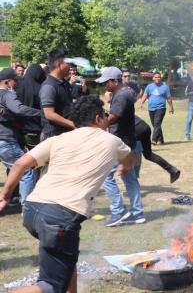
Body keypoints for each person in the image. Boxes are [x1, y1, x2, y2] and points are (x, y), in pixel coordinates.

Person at [0, 95, 133, 293]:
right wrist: (124, 168)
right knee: (50, 286)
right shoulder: (113, 141)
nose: (107, 118)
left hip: (33, 210)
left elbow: (20, 164)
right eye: (105, 114)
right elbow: (129, 162)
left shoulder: (57, 140)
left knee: (67, 260)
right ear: (98, 119)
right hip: (60, 217)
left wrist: (4, 197)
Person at [96, 67, 145, 226]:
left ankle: (119, 212)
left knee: (105, 175)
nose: (104, 86)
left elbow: (112, 118)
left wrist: (96, 122)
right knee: (130, 178)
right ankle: (138, 214)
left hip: (119, 142)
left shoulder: (121, 96)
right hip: (127, 141)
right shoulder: (125, 93)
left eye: (106, 82)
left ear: (114, 81)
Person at [0, 68, 42, 204]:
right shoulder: (7, 94)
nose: (17, 84)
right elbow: (19, 109)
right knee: (25, 170)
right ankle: (28, 208)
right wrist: (41, 113)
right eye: (15, 81)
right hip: (6, 140)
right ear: (7, 82)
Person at [39, 49, 75, 140]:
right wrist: (73, 124)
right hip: (53, 135)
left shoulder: (64, 82)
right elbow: (49, 114)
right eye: (68, 63)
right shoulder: (49, 86)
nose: (70, 67)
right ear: (59, 65)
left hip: (65, 133)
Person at [135, 115, 181, 183]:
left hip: (136, 131)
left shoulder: (114, 112)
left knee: (133, 153)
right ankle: (172, 170)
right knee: (148, 154)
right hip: (144, 127)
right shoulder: (119, 106)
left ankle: (134, 179)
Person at [15, 64, 45, 150]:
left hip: (19, 128)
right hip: (36, 130)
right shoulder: (40, 88)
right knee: (37, 158)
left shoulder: (17, 85)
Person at [140, 72, 174, 145]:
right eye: (156, 77)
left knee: (157, 123)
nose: (157, 78)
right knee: (155, 125)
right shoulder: (149, 86)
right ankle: (160, 140)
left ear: (160, 78)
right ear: (153, 78)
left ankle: (154, 139)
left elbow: (168, 98)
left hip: (161, 108)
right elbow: (145, 95)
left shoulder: (165, 87)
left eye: (159, 77)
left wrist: (171, 107)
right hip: (151, 108)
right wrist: (142, 102)